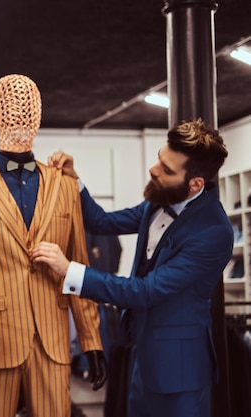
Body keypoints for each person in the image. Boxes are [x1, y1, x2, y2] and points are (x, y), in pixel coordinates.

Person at [35, 118, 233, 417]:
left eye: (167, 169)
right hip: (144, 358)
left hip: (180, 373)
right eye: (159, 159)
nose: (154, 170)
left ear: (195, 184)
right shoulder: (157, 202)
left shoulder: (213, 232)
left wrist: (70, 270)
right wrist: (75, 181)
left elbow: (146, 291)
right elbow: (103, 222)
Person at [0, 74, 106, 417]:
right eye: (11, 107)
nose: (19, 115)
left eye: (27, 108)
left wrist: (91, 340)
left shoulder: (65, 185)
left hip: (52, 342)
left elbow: (79, 265)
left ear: (38, 115)